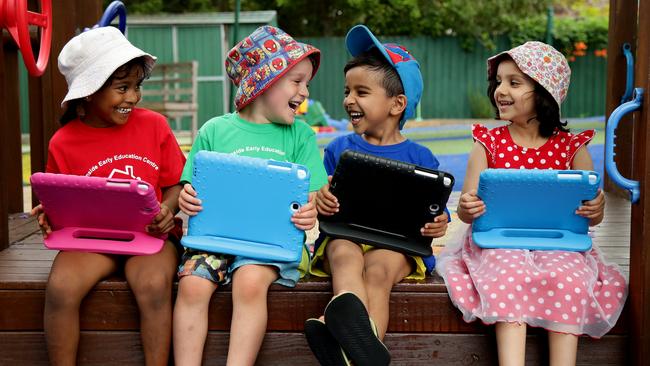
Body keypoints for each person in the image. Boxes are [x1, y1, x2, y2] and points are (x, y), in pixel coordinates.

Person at [436, 41, 627, 366]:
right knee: (509, 274)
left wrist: (596, 210)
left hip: (560, 243)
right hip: (497, 241)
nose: (500, 90)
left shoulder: (572, 147)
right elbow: (466, 208)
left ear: (544, 91)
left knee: (567, 279)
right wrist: (468, 207)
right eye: (498, 82)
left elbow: (591, 210)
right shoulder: (488, 143)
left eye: (514, 82)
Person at [172, 25, 328, 366]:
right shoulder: (214, 130)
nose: (305, 91)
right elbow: (190, 187)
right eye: (297, 80)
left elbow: (311, 197)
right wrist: (186, 199)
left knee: (250, 282)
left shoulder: (300, 135)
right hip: (213, 241)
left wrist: (308, 212)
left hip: (269, 247)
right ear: (263, 81)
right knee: (192, 286)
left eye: (306, 82)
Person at [32, 26, 186, 366]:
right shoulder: (63, 141)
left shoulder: (155, 126)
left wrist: (167, 207)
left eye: (136, 87)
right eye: (122, 88)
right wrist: (49, 212)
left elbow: (177, 182)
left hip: (150, 237)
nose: (133, 97)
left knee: (153, 285)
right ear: (88, 92)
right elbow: (61, 199)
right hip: (92, 241)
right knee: (60, 287)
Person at [305, 25, 449, 366]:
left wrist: (438, 224)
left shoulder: (422, 158)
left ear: (397, 103)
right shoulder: (339, 148)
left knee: (379, 273)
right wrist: (322, 199)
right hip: (346, 234)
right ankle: (352, 335)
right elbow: (322, 198)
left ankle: (345, 338)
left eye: (362, 92)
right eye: (347, 91)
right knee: (344, 255)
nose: (348, 100)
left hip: (397, 244)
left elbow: (434, 215)